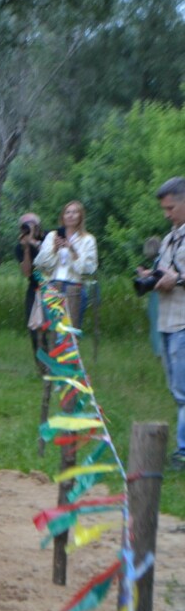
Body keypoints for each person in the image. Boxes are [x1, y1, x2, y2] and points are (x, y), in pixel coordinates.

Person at [140, 178, 185, 469]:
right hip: (168, 322)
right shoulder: (170, 238)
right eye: (164, 209)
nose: (166, 214)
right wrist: (153, 275)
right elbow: (166, 272)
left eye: (170, 208)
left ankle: (183, 452)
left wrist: (177, 279)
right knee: (177, 390)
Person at [34, 201, 98, 329]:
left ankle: (70, 348)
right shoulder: (53, 236)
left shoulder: (88, 239)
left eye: (75, 212)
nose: (70, 215)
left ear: (80, 216)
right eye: (67, 212)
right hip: (53, 285)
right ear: (62, 216)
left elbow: (89, 268)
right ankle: (51, 349)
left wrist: (72, 250)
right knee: (53, 329)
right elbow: (40, 263)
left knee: (71, 332)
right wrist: (54, 249)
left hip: (74, 287)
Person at [15, 213, 47, 363]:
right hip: (34, 287)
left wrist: (35, 242)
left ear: (38, 225)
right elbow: (27, 272)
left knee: (51, 328)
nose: (28, 227)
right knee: (34, 327)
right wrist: (27, 248)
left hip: (52, 286)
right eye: (25, 224)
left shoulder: (48, 238)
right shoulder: (20, 245)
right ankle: (41, 365)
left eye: (31, 223)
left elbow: (49, 261)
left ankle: (56, 364)